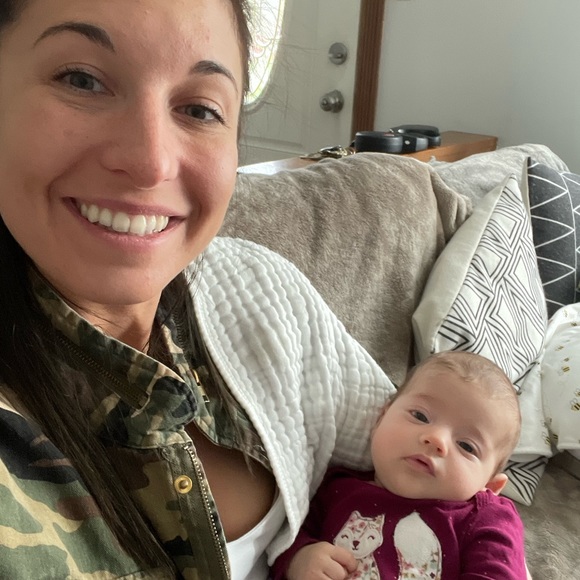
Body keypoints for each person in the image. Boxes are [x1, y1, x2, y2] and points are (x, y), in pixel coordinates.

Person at [0, 1, 396, 579]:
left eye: (199, 109)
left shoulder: (261, 288)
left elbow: (419, 457)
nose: (151, 161)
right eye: (81, 80)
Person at [271, 351, 529, 580]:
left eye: (466, 446)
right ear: (381, 419)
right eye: (420, 416)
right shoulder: (336, 488)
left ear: (489, 486)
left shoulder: (485, 517)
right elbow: (282, 538)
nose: (436, 439)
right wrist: (299, 559)